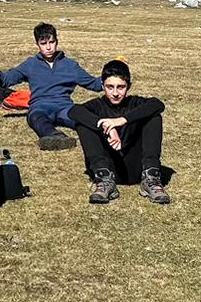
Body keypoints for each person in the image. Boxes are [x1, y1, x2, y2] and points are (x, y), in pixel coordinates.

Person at [0, 22, 102, 150]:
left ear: (57, 41)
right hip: (40, 107)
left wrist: (112, 76)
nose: (48, 47)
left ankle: (106, 132)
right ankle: (56, 137)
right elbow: (5, 81)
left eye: (51, 42)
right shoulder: (30, 65)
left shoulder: (70, 65)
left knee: (83, 120)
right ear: (37, 44)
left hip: (65, 107)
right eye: (43, 43)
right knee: (36, 118)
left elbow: (94, 84)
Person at [68, 59, 170, 205]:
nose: (115, 93)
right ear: (102, 86)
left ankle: (151, 178)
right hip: (108, 167)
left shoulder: (135, 103)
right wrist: (106, 126)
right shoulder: (96, 106)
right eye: (110, 87)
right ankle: (104, 180)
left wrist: (122, 120)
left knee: (154, 117)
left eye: (120, 87)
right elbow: (74, 111)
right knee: (84, 123)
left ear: (129, 86)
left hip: (136, 167)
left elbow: (157, 104)